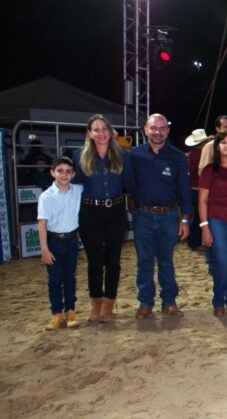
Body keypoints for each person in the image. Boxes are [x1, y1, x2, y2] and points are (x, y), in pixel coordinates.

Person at [129, 114, 192, 319]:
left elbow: (184, 189)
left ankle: (169, 302)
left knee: (166, 261)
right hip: (142, 216)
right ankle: (145, 302)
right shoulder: (134, 155)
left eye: (162, 128)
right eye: (153, 128)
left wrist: (185, 218)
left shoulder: (178, 157)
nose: (158, 132)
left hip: (169, 215)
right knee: (144, 261)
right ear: (145, 130)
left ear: (168, 130)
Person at [72, 114, 134, 323]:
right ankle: (96, 302)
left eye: (104, 128)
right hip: (90, 213)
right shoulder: (78, 156)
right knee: (95, 261)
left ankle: (109, 303)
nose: (101, 133)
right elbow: (72, 186)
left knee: (113, 260)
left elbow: (131, 182)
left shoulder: (123, 156)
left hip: (116, 212)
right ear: (89, 133)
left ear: (111, 131)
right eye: (96, 129)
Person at [198, 131, 227, 316]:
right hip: (217, 218)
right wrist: (204, 227)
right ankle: (219, 301)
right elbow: (202, 200)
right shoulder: (210, 170)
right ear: (217, 146)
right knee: (222, 261)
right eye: (224, 142)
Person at [37, 156, 83, 330]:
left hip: (71, 241)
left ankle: (70, 311)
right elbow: (42, 224)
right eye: (60, 171)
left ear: (73, 174)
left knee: (70, 278)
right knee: (55, 280)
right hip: (54, 241)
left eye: (68, 171)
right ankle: (56, 313)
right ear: (52, 173)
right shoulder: (46, 197)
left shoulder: (78, 190)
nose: (64, 175)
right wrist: (44, 249)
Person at [185, 129, 213, 250]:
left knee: (197, 216)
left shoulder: (193, 153)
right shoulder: (200, 153)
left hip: (194, 188)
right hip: (198, 188)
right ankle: (194, 241)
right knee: (199, 216)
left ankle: (194, 240)